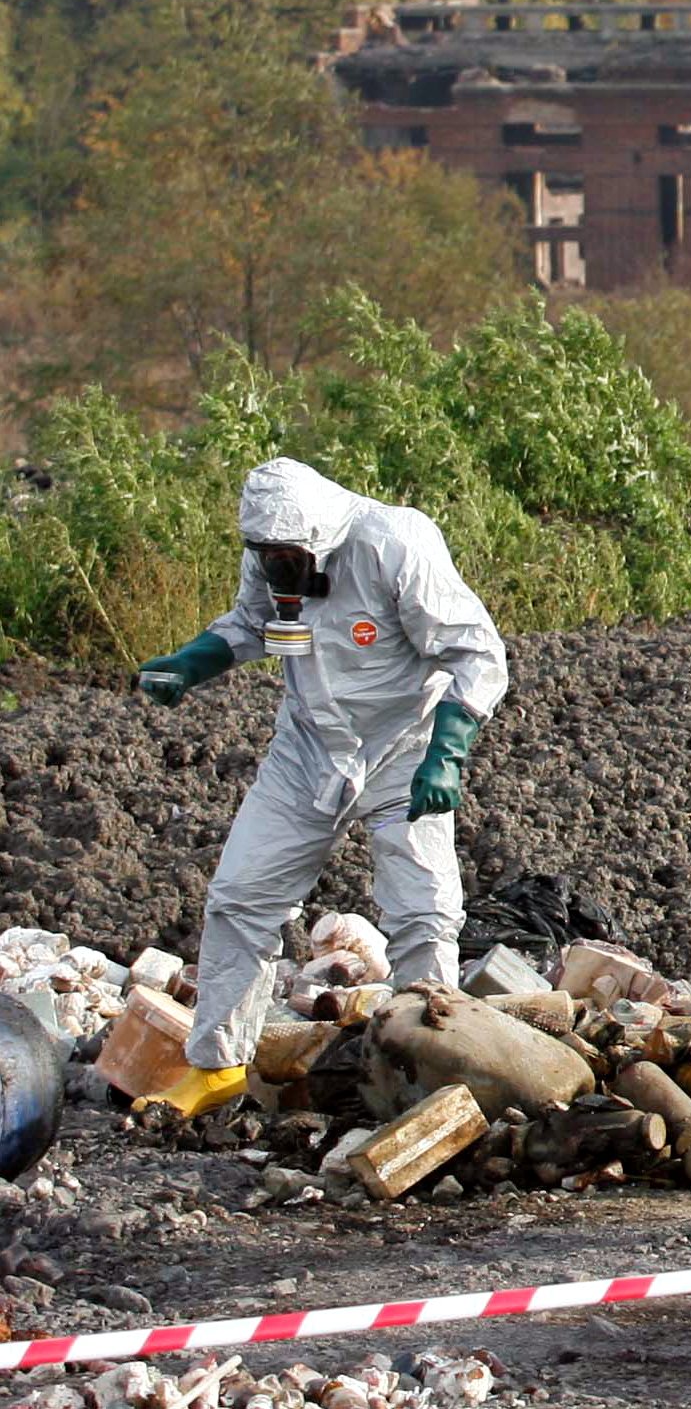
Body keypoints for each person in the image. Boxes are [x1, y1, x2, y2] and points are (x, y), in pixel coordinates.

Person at [133, 458, 508, 1074]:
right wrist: (188, 664)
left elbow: (476, 652)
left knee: (423, 912)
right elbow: (251, 624)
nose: (278, 569)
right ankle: (218, 1068)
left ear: (319, 540)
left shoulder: (393, 542)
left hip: (402, 748)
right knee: (240, 899)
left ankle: (428, 1070)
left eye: (288, 557)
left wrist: (446, 754)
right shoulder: (269, 551)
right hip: (307, 750)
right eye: (266, 556)